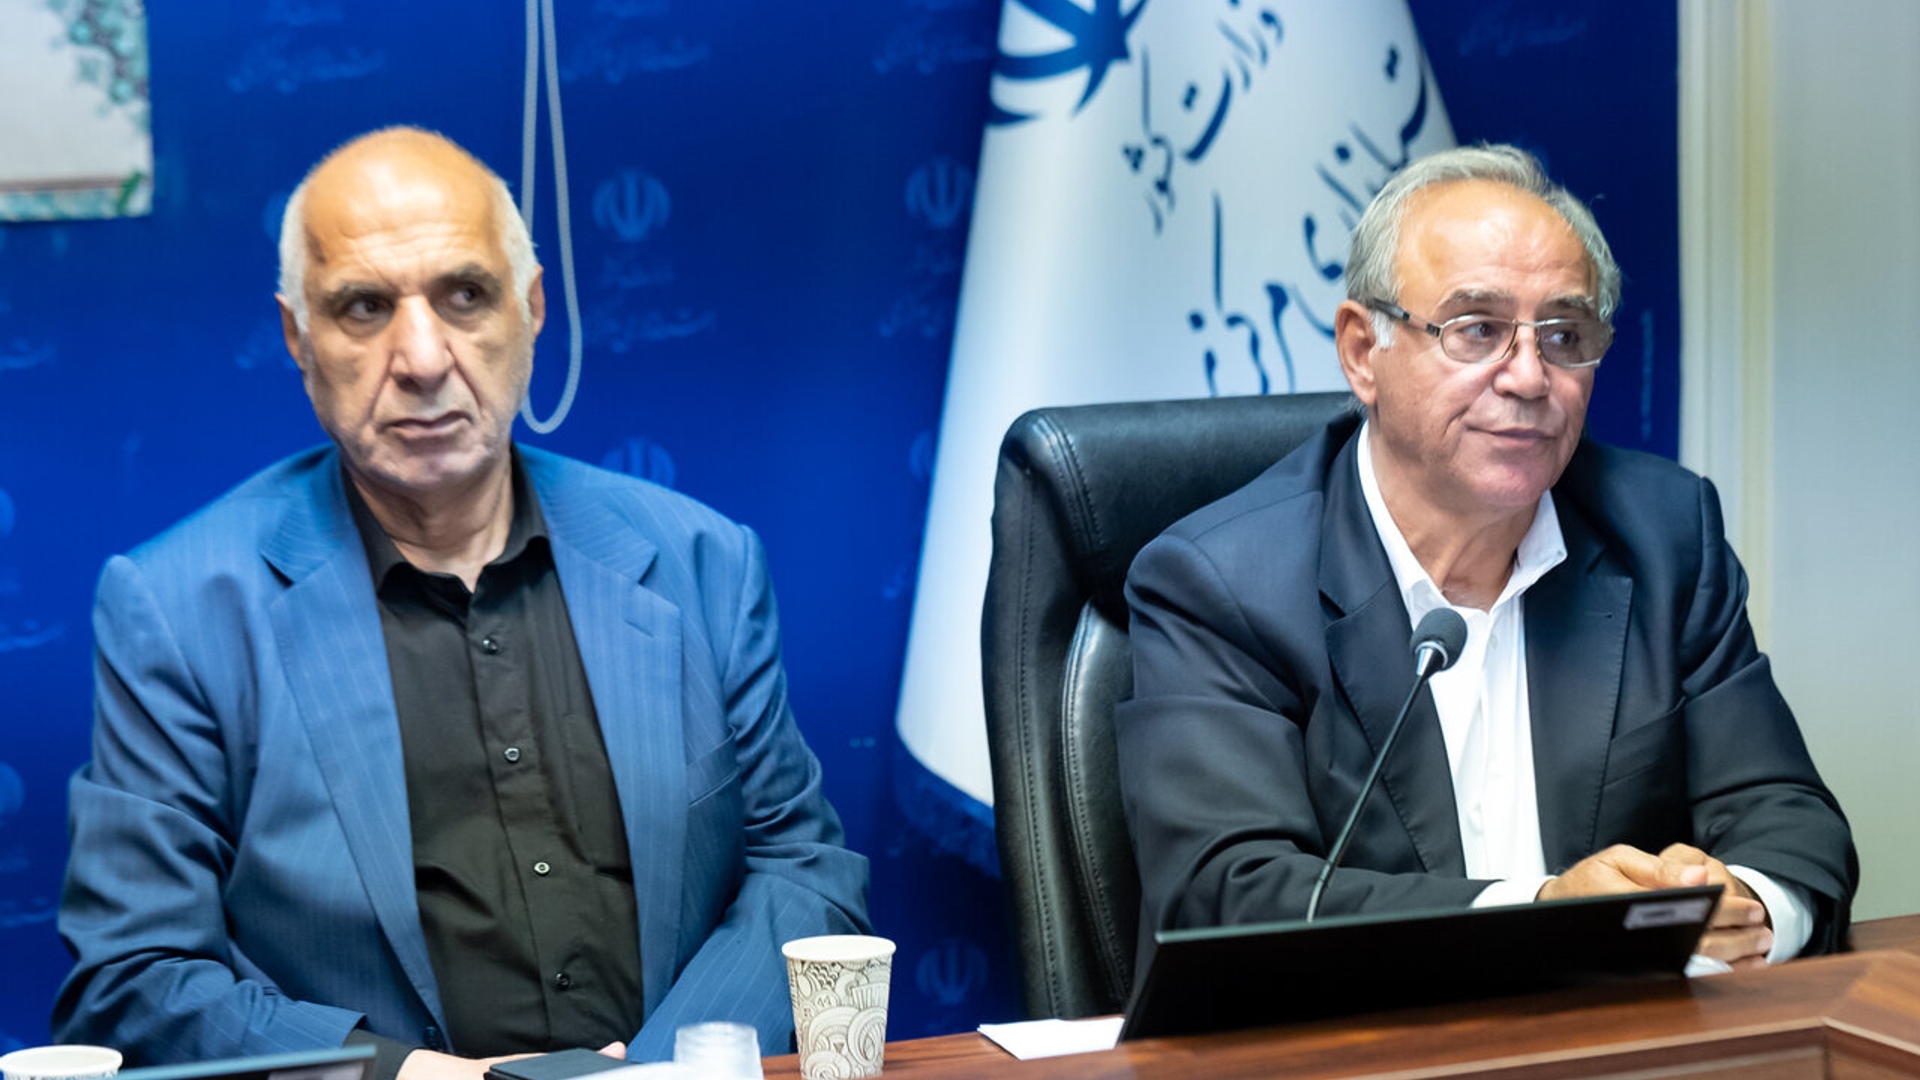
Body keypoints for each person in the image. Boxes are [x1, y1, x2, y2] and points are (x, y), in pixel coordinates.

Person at [53, 127, 869, 1077]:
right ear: (298, 338)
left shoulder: (702, 561)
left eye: (466, 296)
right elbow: (135, 978)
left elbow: (803, 874)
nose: (422, 358)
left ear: (531, 310)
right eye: (364, 307)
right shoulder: (178, 608)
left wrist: (661, 1073)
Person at [1114, 144, 1856, 972]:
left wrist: (1746, 904)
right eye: (1477, 330)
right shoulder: (1220, 583)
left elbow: (1787, 816)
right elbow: (1228, 896)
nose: (1530, 378)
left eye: (1564, 335)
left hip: (1629, 1031)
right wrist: (1539, 919)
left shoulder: (1665, 535)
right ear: (1362, 351)